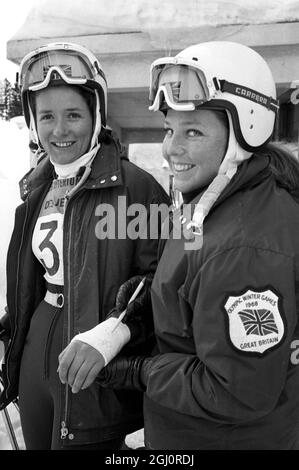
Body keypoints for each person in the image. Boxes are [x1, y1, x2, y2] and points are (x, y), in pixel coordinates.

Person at [97, 41, 299, 450]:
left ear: (247, 131)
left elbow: (238, 391)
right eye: (171, 129)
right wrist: (147, 301)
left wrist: (142, 372)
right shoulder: (209, 203)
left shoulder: (245, 247)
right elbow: (192, 279)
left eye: (193, 131)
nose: (171, 148)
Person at [0, 42, 169, 450]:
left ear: (96, 115)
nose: (59, 130)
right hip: (38, 347)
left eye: (73, 115)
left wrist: (116, 330)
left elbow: (164, 278)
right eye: (47, 117)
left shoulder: (137, 188)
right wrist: (8, 331)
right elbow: (33, 278)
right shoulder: (37, 190)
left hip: (96, 360)